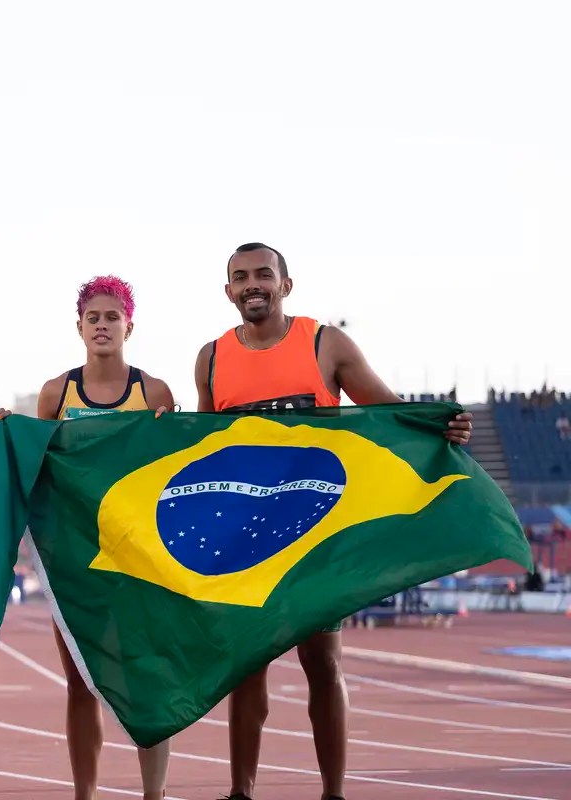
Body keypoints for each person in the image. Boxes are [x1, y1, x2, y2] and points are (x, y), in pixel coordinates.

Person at [194, 242, 471, 800]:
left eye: (264, 275)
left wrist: (441, 427)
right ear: (228, 291)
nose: (253, 285)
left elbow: (387, 411)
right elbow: (197, 450)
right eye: (241, 277)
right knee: (244, 670)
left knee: (322, 664)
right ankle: (240, 793)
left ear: (285, 285)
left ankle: (333, 793)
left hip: (318, 535)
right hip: (246, 543)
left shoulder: (324, 344)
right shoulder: (213, 358)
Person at [34, 276, 174, 800]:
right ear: (78, 327)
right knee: (80, 683)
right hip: (74, 557)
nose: (101, 325)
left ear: (129, 326)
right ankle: (84, 795)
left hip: (138, 559)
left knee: (145, 680)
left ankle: (153, 794)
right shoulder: (57, 393)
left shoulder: (154, 392)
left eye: (111, 316)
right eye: (92, 317)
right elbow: (35, 466)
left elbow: (172, 472)